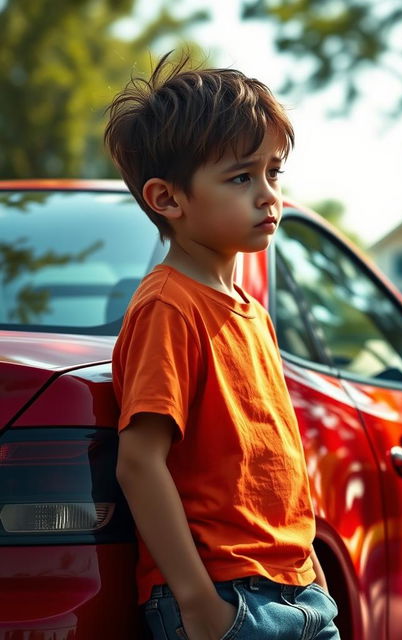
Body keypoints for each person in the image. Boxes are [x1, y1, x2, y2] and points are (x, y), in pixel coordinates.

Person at [104, 51, 340, 640]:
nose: (267, 195)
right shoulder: (168, 306)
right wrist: (198, 603)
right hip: (229, 597)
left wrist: (313, 579)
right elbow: (139, 463)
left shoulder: (250, 312)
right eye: (241, 177)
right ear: (167, 199)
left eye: (273, 173)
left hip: (299, 591)